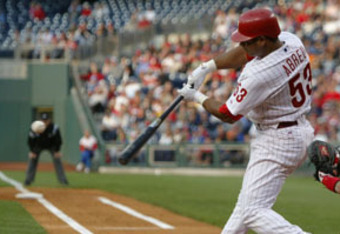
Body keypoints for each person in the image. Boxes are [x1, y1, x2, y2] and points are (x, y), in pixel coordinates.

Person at [178, 8, 314, 233]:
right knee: (245, 206)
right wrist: (207, 67)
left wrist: (197, 97)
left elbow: (227, 114)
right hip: (294, 130)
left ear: (261, 40)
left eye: (247, 41)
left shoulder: (260, 74)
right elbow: (245, 54)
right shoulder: (291, 41)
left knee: (252, 211)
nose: (242, 45)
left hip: (278, 140)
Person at [25, 112, 69, 185]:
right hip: (38, 145)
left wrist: (57, 151)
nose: (44, 122)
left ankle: (63, 180)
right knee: (32, 160)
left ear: (49, 120)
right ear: (40, 120)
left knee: (57, 160)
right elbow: (30, 140)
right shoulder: (35, 127)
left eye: (46, 120)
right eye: (43, 120)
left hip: (51, 146)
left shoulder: (54, 128)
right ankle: (28, 180)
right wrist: (32, 151)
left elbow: (58, 140)